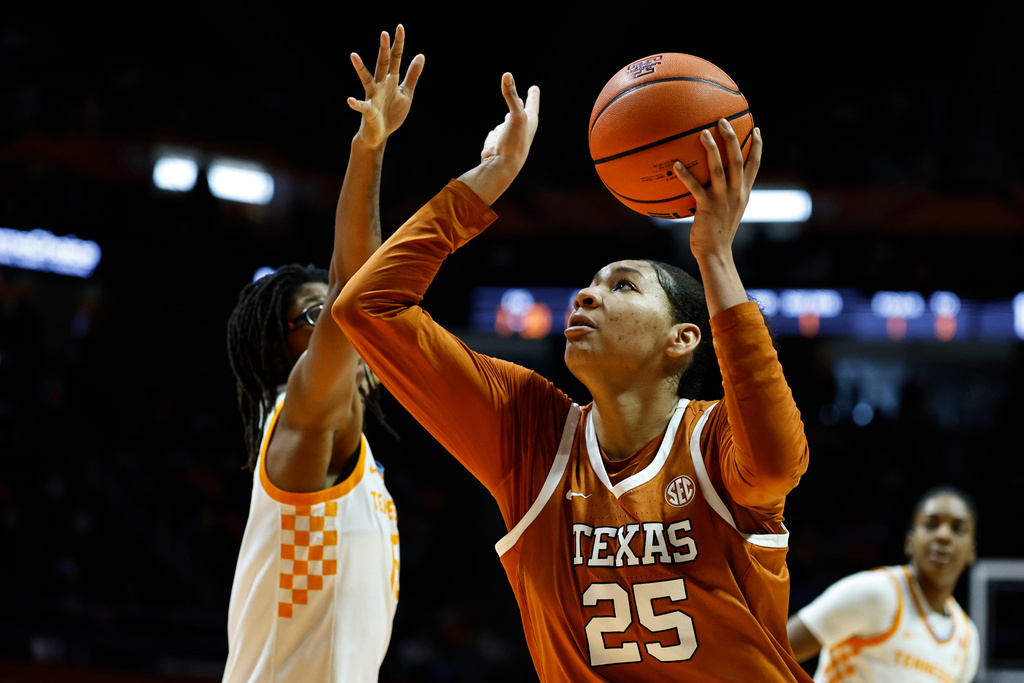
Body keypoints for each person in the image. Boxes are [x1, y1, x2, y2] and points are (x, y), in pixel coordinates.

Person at [335, 69, 814, 682]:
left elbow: (776, 464)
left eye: (622, 285)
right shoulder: (531, 431)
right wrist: (487, 181)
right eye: (586, 285)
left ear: (682, 339)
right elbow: (367, 309)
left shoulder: (715, 440)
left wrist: (714, 254)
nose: (585, 297)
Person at [221, 26, 423, 683]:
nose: (335, 322)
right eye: (312, 317)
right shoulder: (299, 427)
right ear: (283, 352)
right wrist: (370, 148)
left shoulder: (357, 467)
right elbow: (354, 298)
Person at [787, 486, 980, 682]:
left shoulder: (967, 639)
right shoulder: (877, 592)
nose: (943, 536)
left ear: (972, 551)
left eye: (958, 529)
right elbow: (771, 653)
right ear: (910, 541)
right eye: (931, 524)